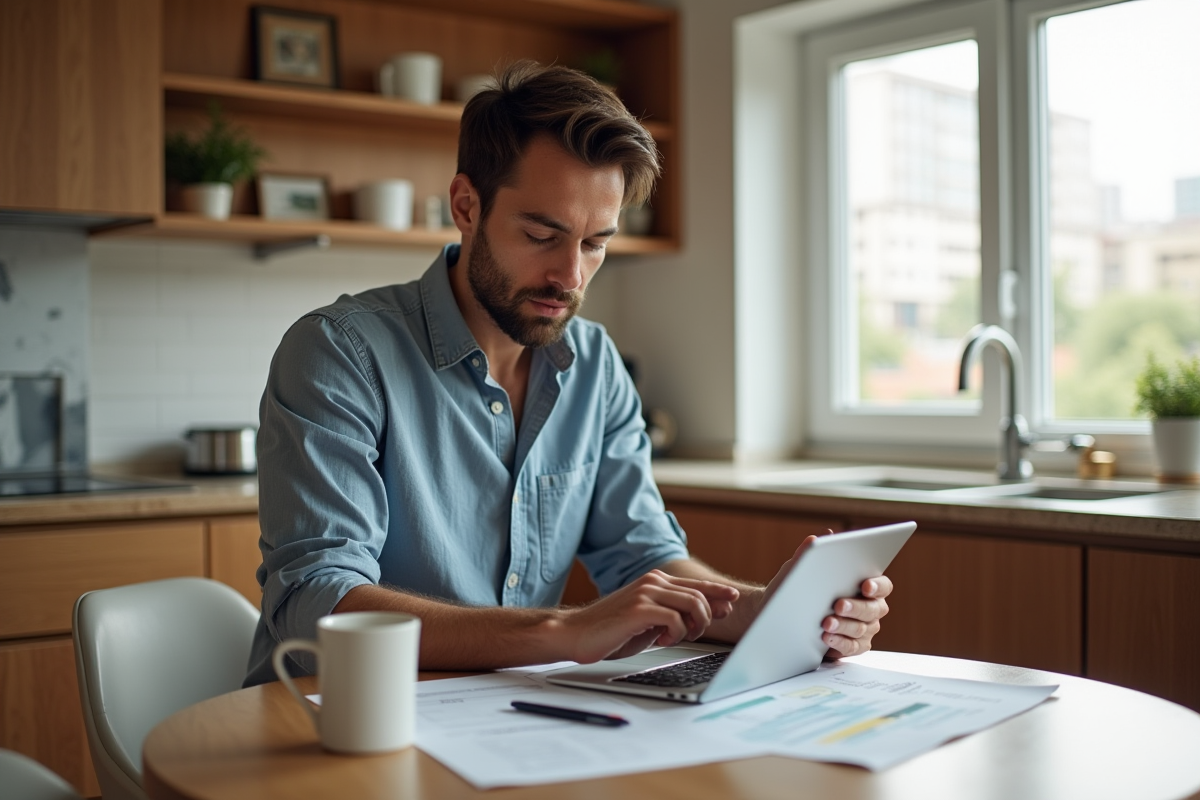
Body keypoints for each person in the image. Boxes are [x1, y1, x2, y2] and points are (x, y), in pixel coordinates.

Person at [244, 61, 892, 686]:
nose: (570, 276)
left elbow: (642, 557)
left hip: (501, 719)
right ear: (467, 206)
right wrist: (563, 631)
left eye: (595, 243)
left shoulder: (597, 365)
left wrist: (773, 612)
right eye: (542, 235)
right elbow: (319, 599)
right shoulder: (337, 354)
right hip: (328, 719)